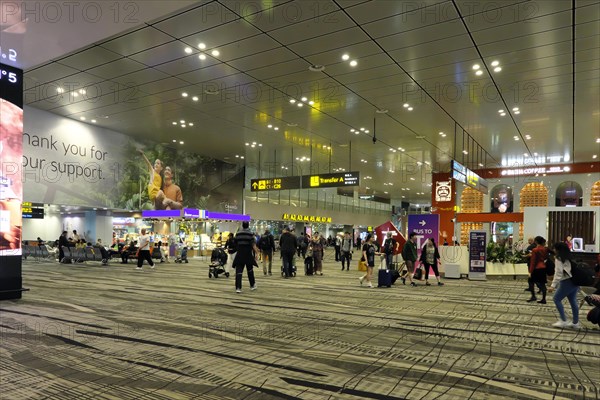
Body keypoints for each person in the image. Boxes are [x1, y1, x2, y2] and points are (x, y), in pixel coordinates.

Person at [548, 242, 580, 328]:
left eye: (554, 248)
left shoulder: (559, 258)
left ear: (557, 249)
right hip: (575, 281)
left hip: (566, 281)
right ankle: (575, 322)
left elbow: (558, 273)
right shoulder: (570, 256)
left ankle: (563, 320)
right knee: (573, 301)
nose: (553, 250)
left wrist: (553, 285)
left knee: (556, 299)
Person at [233, 221, 259, 293]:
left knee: (239, 271)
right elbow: (253, 245)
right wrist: (257, 253)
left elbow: (235, 243)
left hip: (240, 254)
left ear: (242, 225)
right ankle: (252, 285)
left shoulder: (238, 234)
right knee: (250, 270)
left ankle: (238, 287)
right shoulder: (250, 234)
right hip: (248, 254)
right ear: (248, 226)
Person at [527, 236, 548, 303]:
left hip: (536, 268)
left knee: (531, 281)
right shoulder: (545, 249)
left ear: (536, 241)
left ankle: (533, 296)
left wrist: (530, 271)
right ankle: (544, 299)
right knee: (542, 284)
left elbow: (533, 262)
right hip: (543, 267)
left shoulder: (535, 250)